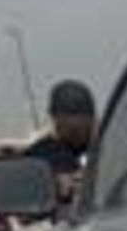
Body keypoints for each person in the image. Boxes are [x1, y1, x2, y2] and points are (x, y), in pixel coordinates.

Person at [22, 79, 95, 214]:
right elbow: (21, 193)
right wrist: (53, 186)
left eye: (81, 118)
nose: (76, 127)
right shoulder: (38, 156)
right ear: (54, 118)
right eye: (68, 120)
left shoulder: (107, 150)